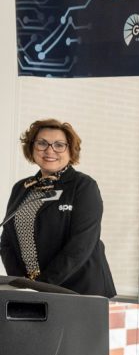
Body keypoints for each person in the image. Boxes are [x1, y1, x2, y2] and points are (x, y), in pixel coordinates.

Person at [0, 119, 116, 297]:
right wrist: (21, 283)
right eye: (42, 143)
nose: (49, 150)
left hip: (80, 291)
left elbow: (81, 244)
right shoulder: (21, 188)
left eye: (59, 145)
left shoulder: (83, 186)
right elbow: (7, 241)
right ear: (32, 148)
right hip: (33, 292)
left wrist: (42, 286)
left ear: (70, 150)